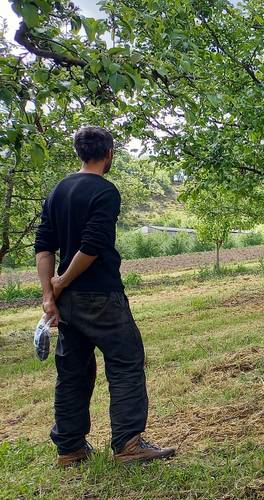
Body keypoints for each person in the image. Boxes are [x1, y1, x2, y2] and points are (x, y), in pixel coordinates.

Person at [34, 126, 174, 466]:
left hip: (68, 304)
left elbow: (43, 246)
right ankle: (128, 444)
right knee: (126, 362)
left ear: (79, 152)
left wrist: (49, 294)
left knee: (72, 371)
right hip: (100, 295)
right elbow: (93, 246)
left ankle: (70, 448)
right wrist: (62, 282)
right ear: (109, 153)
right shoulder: (105, 191)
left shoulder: (57, 191)